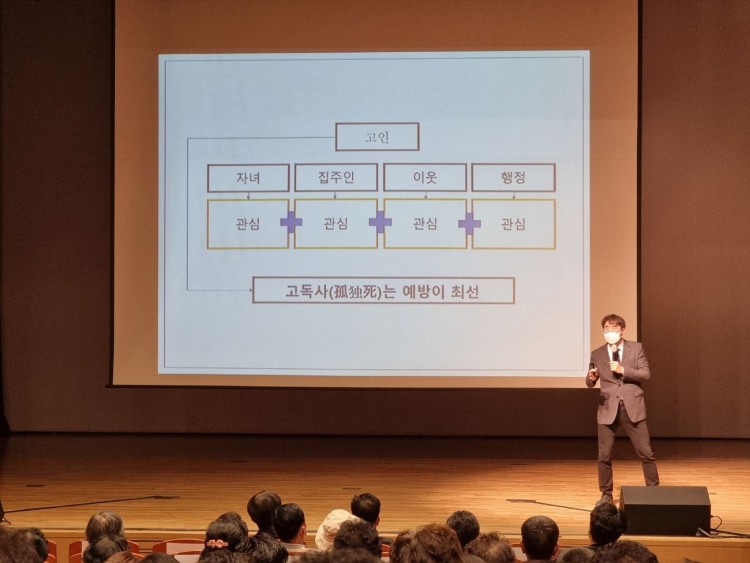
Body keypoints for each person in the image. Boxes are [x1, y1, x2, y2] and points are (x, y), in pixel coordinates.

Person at [586, 314, 660, 506]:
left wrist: (623, 370)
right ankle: (606, 494)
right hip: (607, 408)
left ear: (622, 330)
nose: (610, 332)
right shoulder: (597, 353)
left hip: (632, 408)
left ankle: (654, 491)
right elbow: (590, 381)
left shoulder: (636, 348)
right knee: (604, 456)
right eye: (607, 329)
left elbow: (645, 374)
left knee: (646, 453)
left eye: (614, 329)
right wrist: (591, 378)